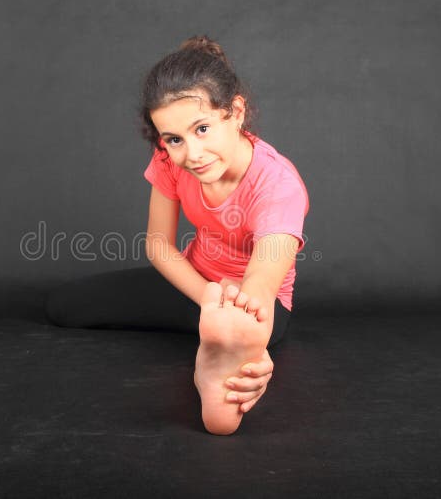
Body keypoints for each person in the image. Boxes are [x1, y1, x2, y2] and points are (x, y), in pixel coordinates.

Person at [45, 35, 309, 435]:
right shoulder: (171, 160)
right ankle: (218, 334)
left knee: (241, 319)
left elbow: (260, 284)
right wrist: (207, 298)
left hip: (257, 302)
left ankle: (222, 353)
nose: (191, 154)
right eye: (174, 140)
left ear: (235, 112)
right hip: (196, 283)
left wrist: (252, 341)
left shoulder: (278, 186)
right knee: (64, 306)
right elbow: (159, 244)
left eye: (202, 129)